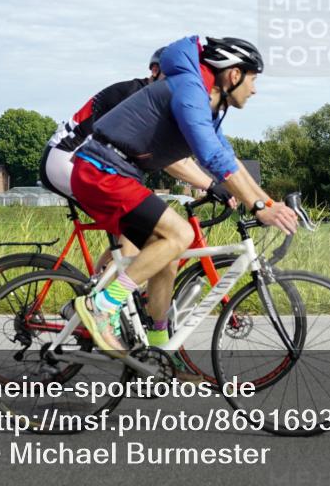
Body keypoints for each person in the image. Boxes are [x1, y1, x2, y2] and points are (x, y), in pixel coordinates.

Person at [70, 36, 298, 372]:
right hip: (102, 170)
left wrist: (264, 201)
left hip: (117, 173)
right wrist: (259, 207)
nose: (255, 90)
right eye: (253, 79)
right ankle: (102, 306)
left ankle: (157, 348)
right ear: (234, 75)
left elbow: (226, 156)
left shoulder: (208, 100)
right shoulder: (191, 91)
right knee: (180, 235)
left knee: (168, 255)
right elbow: (209, 154)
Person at [39, 47, 165, 200]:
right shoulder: (135, 94)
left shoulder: (150, 98)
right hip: (64, 156)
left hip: (81, 160)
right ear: (155, 70)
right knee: (134, 212)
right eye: (172, 76)